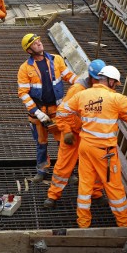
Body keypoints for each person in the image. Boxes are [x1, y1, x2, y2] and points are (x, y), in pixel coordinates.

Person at [57, 65, 127, 228]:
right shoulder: (115, 99)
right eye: (116, 83)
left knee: (85, 185)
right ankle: (124, 223)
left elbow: (62, 111)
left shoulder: (83, 95)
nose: (116, 86)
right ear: (111, 81)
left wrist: (69, 129)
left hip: (86, 147)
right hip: (104, 152)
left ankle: (83, 223)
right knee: (114, 188)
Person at [44, 59, 107, 209]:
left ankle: (96, 193)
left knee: (95, 165)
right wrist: (66, 132)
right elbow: (62, 113)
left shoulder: (103, 90)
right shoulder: (77, 90)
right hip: (73, 134)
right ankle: (53, 195)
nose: (101, 82)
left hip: (90, 135)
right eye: (98, 80)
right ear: (92, 78)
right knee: (63, 165)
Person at [17, 33, 77, 183]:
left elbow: (69, 76)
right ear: (29, 50)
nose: (39, 44)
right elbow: (23, 93)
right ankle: (42, 171)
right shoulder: (25, 69)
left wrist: (84, 84)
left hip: (57, 111)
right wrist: (36, 112)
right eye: (34, 43)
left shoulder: (56, 60)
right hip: (39, 113)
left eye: (39, 41)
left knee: (63, 142)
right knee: (41, 143)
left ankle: (68, 171)